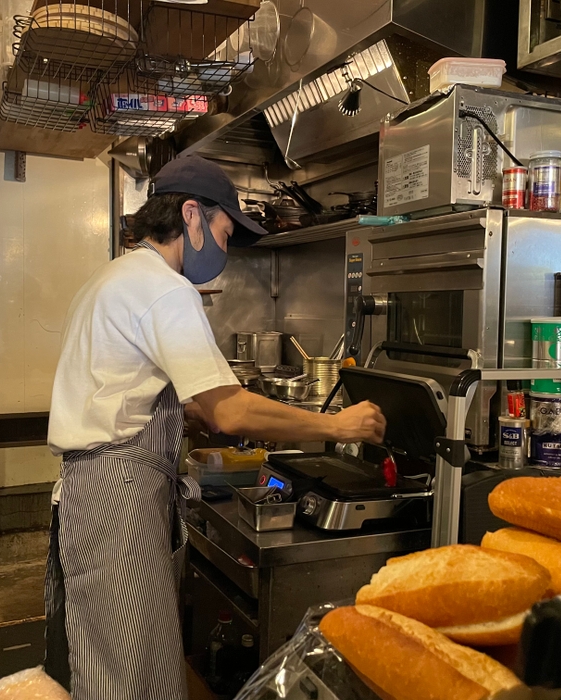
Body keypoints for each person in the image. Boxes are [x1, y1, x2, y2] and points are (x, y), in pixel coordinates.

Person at [44, 155, 386, 700]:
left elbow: (195, 408)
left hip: (93, 494)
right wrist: (335, 422)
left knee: (111, 667)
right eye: (226, 232)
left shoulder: (115, 275)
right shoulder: (165, 287)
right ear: (192, 216)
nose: (225, 251)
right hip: (117, 502)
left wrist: (236, 422)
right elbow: (227, 411)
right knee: (132, 680)